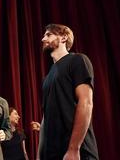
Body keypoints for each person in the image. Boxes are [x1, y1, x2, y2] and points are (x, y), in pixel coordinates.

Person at [38, 24, 99, 160]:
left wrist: (73, 149)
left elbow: (86, 102)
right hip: (52, 154)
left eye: (48, 35)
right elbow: (45, 119)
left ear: (64, 37)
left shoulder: (77, 60)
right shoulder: (46, 78)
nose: (43, 39)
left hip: (77, 152)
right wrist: (39, 155)